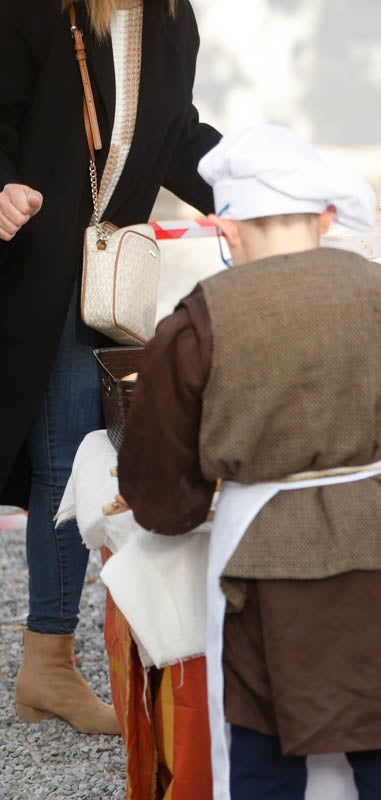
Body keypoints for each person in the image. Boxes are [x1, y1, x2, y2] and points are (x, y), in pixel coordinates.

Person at [116, 125, 381, 800]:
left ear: (227, 227)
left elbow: (163, 499)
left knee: (263, 750)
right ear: (328, 218)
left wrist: (201, 496)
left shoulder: (198, 321)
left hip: (262, 561)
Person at [0, 0, 221, 735]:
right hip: (27, 265)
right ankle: (49, 666)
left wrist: (259, 196)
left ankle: (51, 663)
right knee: (63, 459)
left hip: (96, 278)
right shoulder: (31, 9)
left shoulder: (169, 18)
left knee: (79, 456)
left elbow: (178, 133)